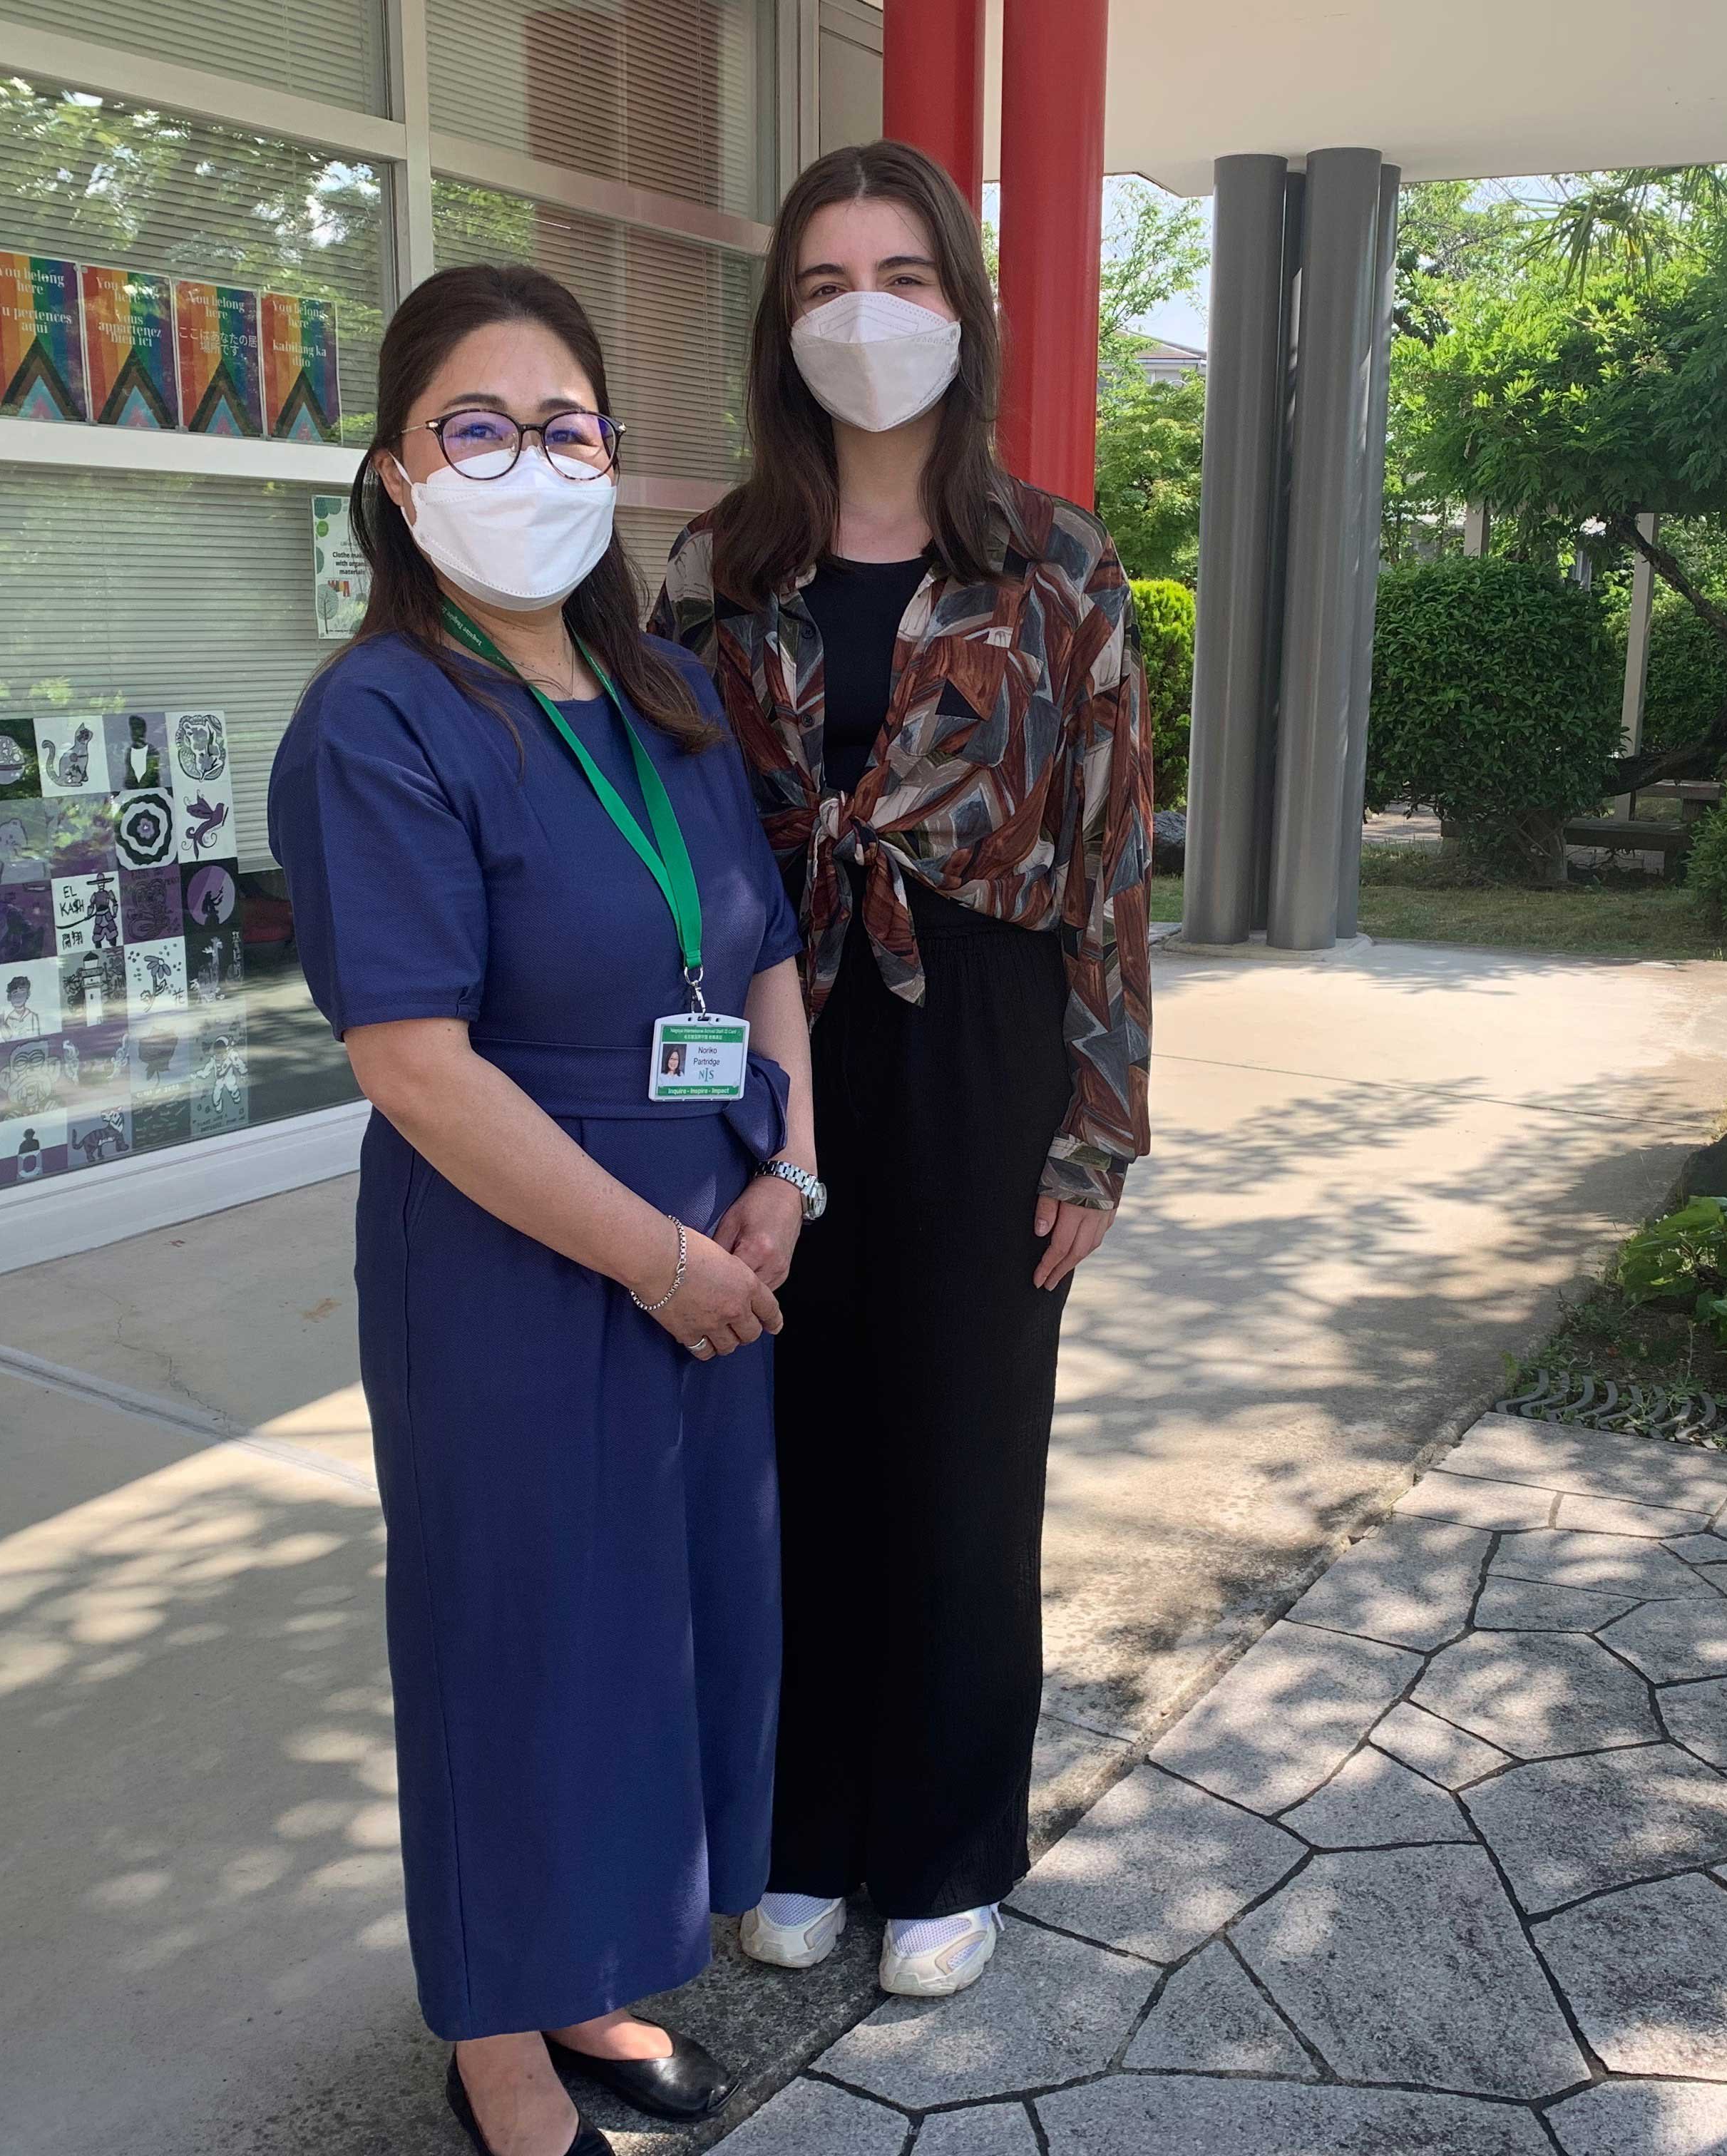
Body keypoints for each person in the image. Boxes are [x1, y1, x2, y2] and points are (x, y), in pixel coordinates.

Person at [269, 264, 826, 2156]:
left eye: (565, 425)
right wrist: (663, 1253)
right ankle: (498, 2042)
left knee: (653, 1634)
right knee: (515, 1642)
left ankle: (589, 1967)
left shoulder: (665, 696)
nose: (531, 461)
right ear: (399, 474)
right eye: (477, 427)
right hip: (513, 1268)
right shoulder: (382, 721)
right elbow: (415, 1063)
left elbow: (761, 961)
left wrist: (789, 1180)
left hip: (711, 1249)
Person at [652, 140, 1153, 2000]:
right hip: (782, 1045)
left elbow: (1113, 863)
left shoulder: (1056, 561)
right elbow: (678, 853)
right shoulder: (721, 565)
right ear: (783, 326)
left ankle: (945, 1845)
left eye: (905, 278)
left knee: (958, 1463)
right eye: (826, 285)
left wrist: (1098, 1138)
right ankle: (801, 1829)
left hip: (988, 1045)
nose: (868, 316)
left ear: (964, 307)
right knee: (783, 1461)